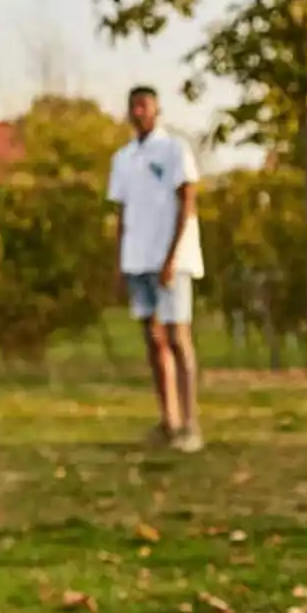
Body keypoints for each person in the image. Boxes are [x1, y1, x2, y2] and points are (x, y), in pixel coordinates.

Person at [106, 84, 203, 453]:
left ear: (156, 109)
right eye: (134, 106)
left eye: (144, 106)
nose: (139, 112)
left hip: (170, 260)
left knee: (179, 337)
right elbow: (122, 212)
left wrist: (173, 256)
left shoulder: (175, 149)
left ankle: (191, 424)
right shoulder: (124, 157)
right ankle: (169, 420)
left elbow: (187, 202)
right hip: (138, 258)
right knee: (153, 339)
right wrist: (120, 260)